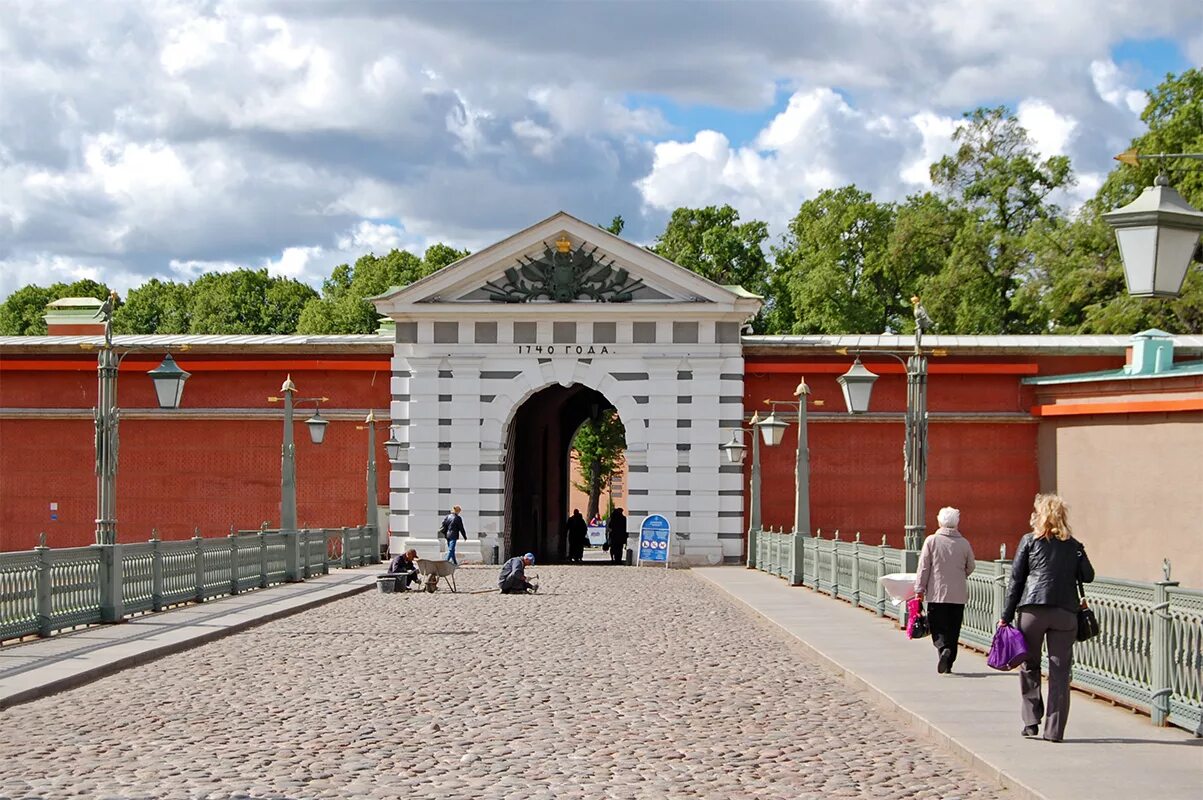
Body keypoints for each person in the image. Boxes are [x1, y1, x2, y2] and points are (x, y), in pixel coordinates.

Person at [999, 493, 1095, 742]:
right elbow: (1088, 575)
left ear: (1039, 516)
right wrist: (1078, 552)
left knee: (1029, 664)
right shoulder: (1073, 546)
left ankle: (1031, 721)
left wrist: (1006, 616)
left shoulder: (1029, 541)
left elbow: (1016, 580)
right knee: (1060, 671)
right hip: (1065, 613)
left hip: (1033, 611)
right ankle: (1055, 731)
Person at [913, 506, 976, 674]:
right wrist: (959, 576)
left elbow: (924, 567)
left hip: (937, 593)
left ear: (939, 521)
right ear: (956, 523)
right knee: (954, 628)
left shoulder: (931, 541)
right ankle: (949, 660)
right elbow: (971, 566)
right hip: (958, 594)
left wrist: (919, 589)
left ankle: (942, 649)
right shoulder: (964, 543)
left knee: (938, 626)